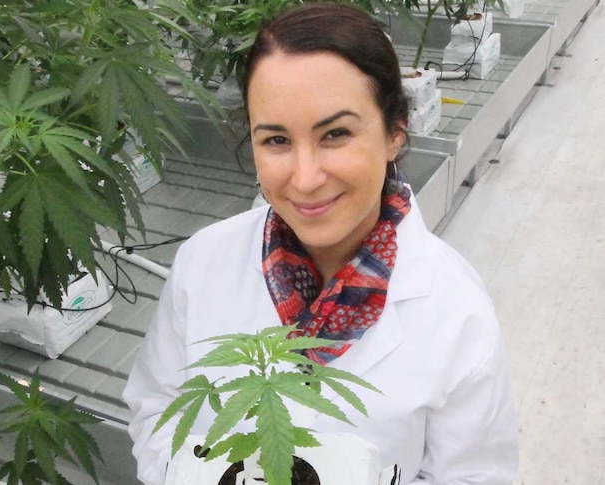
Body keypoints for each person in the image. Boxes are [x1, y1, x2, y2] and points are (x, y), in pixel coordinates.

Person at [122, 3, 519, 484]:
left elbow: (476, 476)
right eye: (276, 140)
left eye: (335, 134)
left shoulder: (458, 314)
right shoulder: (202, 262)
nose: (306, 179)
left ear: (395, 131)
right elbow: (158, 411)